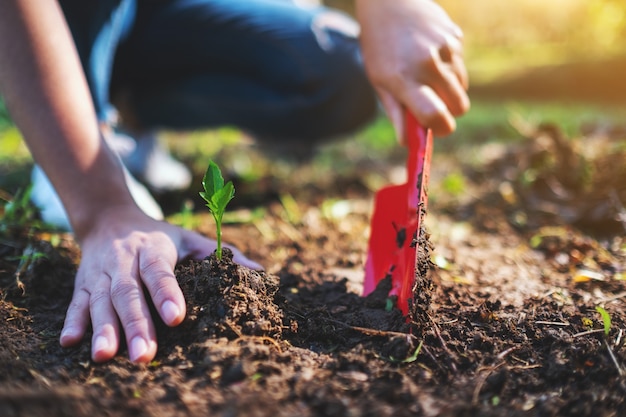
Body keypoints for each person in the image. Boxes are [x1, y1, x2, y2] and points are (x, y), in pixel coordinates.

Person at [0, 0, 469, 363]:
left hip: (159, 21)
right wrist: (101, 207)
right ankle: (77, 135)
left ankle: (123, 112)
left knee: (342, 70)